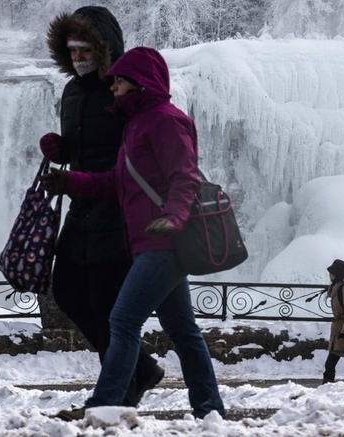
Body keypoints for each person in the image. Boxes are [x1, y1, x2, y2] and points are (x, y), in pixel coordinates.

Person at [41, 46, 226, 421]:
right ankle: (209, 409)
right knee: (183, 330)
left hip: (164, 241)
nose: (113, 89)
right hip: (148, 241)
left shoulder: (165, 120)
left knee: (123, 321)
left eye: (119, 82)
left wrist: (173, 219)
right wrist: (69, 180)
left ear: (140, 83)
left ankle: (104, 406)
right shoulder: (137, 124)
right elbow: (117, 182)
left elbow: (184, 176)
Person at [40, 6, 163, 408]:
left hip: (119, 210)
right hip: (82, 205)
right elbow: (83, 145)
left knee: (110, 306)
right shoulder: (71, 91)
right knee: (69, 289)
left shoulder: (123, 90)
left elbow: (134, 157)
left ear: (104, 48)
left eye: (85, 51)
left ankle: (117, 398)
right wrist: (61, 148)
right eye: (72, 53)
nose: (79, 60)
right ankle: (140, 370)